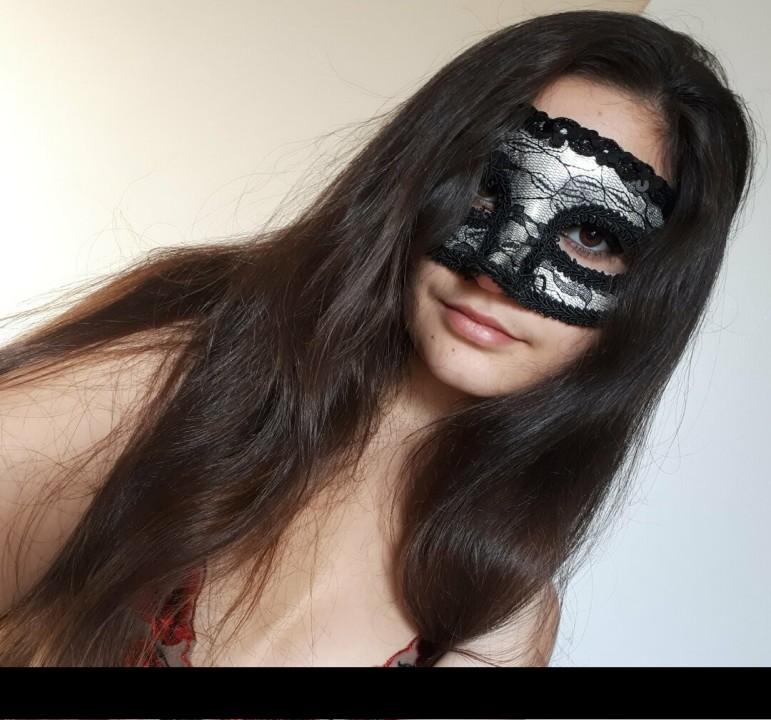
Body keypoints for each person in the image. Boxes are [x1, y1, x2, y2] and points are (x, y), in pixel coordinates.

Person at [0, 9, 755, 667]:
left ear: (647, 301)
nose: (496, 272)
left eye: (591, 235)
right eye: (487, 186)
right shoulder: (184, 370)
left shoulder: (497, 618)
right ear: (420, 173)